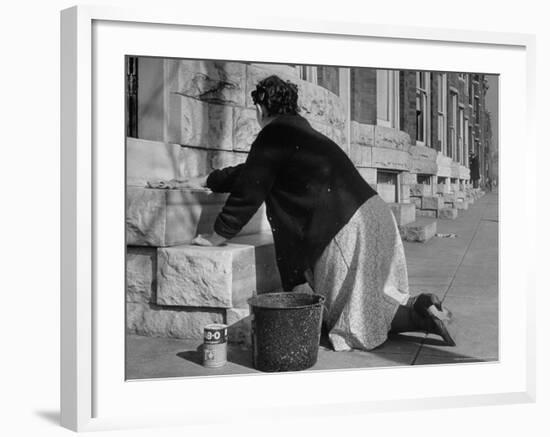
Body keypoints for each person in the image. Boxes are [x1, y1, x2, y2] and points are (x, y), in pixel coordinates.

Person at [160, 75, 455, 351]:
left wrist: (217, 236)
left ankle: (418, 317)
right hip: (375, 215)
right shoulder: (300, 132)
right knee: (373, 297)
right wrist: (205, 180)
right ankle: (419, 305)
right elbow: (252, 172)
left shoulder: (273, 135)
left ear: (261, 108)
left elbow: (250, 189)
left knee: (355, 321)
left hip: (347, 225)